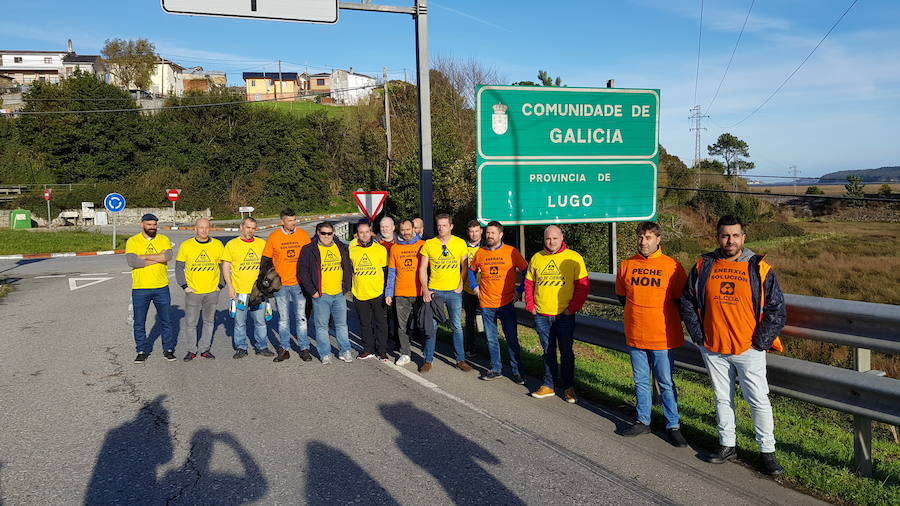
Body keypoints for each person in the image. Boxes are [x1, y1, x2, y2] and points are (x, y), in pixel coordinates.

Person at [680, 215, 786, 476]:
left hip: (748, 349)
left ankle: (767, 452)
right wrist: (699, 336)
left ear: (743, 237)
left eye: (735, 235)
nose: (730, 240)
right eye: (725, 235)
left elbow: (776, 309)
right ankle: (727, 445)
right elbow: (687, 301)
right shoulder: (704, 265)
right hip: (713, 347)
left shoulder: (759, 268)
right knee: (722, 398)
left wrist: (759, 343)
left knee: (758, 400)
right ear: (718, 237)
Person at [615, 221, 688, 446]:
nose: (643, 242)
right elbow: (622, 297)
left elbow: (681, 301)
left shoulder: (672, 266)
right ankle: (643, 421)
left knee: (665, 382)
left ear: (658, 239)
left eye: (648, 237)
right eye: (640, 237)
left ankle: (673, 425)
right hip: (636, 333)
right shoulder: (627, 265)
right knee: (640, 380)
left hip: (662, 336)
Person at [524, 225, 588, 403]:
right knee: (548, 351)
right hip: (542, 314)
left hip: (564, 315)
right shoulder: (537, 257)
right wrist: (530, 305)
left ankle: (568, 388)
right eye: (548, 239)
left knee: (566, 352)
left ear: (562, 238)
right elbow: (528, 283)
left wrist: (572, 308)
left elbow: (583, 287)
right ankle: (548, 385)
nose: (551, 242)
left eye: (554, 238)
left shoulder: (574, 257)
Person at [468, 221, 528, 383]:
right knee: (491, 338)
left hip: (506, 302)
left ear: (500, 234)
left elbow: (526, 271)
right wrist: (474, 287)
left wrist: (520, 290)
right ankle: (495, 369)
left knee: (511, 338)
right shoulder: (481, 252)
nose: (489, 236)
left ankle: (517, 371)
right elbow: (471, 271)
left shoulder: (511, 252)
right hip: (487, 303)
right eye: (488, 233)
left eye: (492, 233)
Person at [418, 214, 470, 373]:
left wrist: (461, 284)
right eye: (439, 225)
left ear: (451, 226)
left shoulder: (460, 243)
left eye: (444, 225)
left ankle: (460, 360)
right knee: (432, 326)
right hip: (435, 291)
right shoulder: (429, 244)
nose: (441, 228)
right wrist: (425, 289)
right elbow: (422, 268)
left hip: (454, 292)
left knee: (457, 326)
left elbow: (465, 266)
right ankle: (428, 360)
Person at [299, 221, 354, 364]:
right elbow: (302, 272)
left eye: (329, 233)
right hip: (321, 295)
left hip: (339, 294)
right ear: (318, 233)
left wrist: (346, 287)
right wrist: (313, 291)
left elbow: (347, 267)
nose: (326, 236)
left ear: (333, 233)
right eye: (323, 233)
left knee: (342, 325)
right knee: (322, 326)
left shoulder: (340, 247)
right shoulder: (309, 249)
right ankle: (325, 353)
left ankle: (345, 350)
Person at [261, 208, 312, 363]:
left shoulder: (303, 235)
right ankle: (284, 349)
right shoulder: (274, 237)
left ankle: (304, 348)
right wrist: (268, 280)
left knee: (301, 317)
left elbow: (311, 257)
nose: (293, 223)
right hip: (281, 285)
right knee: (283, 319)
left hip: (299, 283)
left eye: (294, 220)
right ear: (282, 221)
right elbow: (265, 260)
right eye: (289, 220)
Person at [126, 213, 175, 363]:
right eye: (149, 224)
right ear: (142, 224)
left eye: (154, 224)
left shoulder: (163, 239)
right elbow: (132, 261)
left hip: (161, 287)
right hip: (140, 288)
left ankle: (168, 349)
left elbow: (167, 256)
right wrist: (157, 257)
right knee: (139, 322)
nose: (152, 227)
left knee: (166, 321)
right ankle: (141, 350)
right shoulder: (133, 241)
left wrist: (144, 256)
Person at [222, 217, 273, 359]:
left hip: (258, 292)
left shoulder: (262, 244)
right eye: (248, 227)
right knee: (240, 323)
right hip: (240, 292)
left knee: (260, 321)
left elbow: (269, 264)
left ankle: (261, 346)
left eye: (253, 228)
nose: (250, 231)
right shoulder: (232, 245)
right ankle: (241, 347)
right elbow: (226, 266)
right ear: (241, 227)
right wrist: (230, 287)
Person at [176, 218, 224, 361]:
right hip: (193, 292)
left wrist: (220, 285)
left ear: (210, 228)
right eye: (201, 227)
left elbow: (223, 266)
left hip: (212, 291)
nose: (204, 230)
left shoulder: (217, 245)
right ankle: (192, 350)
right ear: (195, 228)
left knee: (209, 321)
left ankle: (204, 349)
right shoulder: (186, 245)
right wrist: (184, 286)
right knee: (191, 323)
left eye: (207, 227)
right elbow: (179, 267)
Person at [385, 219, 423, 367]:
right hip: (401, 293)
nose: (406, 232)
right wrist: (389, 293)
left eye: (408, 229)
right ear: (399, 230)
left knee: (423, 324)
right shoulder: (395, 248)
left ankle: (427, 353)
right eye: (403, 230)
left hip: (420, 292)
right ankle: (405, 353)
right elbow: (391, 273)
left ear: (413, 229)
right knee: (402, 326)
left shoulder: (422, 245)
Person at [349, 221, 390, 361]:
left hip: (378, 292)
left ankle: (382, 350)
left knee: (381, 323)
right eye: (361, 232)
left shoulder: (380, 249)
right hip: (359, 293)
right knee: (365, 323)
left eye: (367, 232)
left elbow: (386, 271)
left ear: (371, 232)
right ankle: (368, 349)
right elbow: (349, 270)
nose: (364, 235)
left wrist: (387, 292)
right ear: (357, 234)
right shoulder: (352, 250)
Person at [462, 220, 485, 359]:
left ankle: (487, 345)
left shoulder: (487, 247)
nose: (474, 234)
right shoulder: (463, 247)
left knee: (487, 319)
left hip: (485, 290)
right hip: (468, 290)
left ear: (481, 231)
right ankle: (470, 347)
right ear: (468, 232)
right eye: (471, 231)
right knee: (469, 320)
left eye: (477, 231)